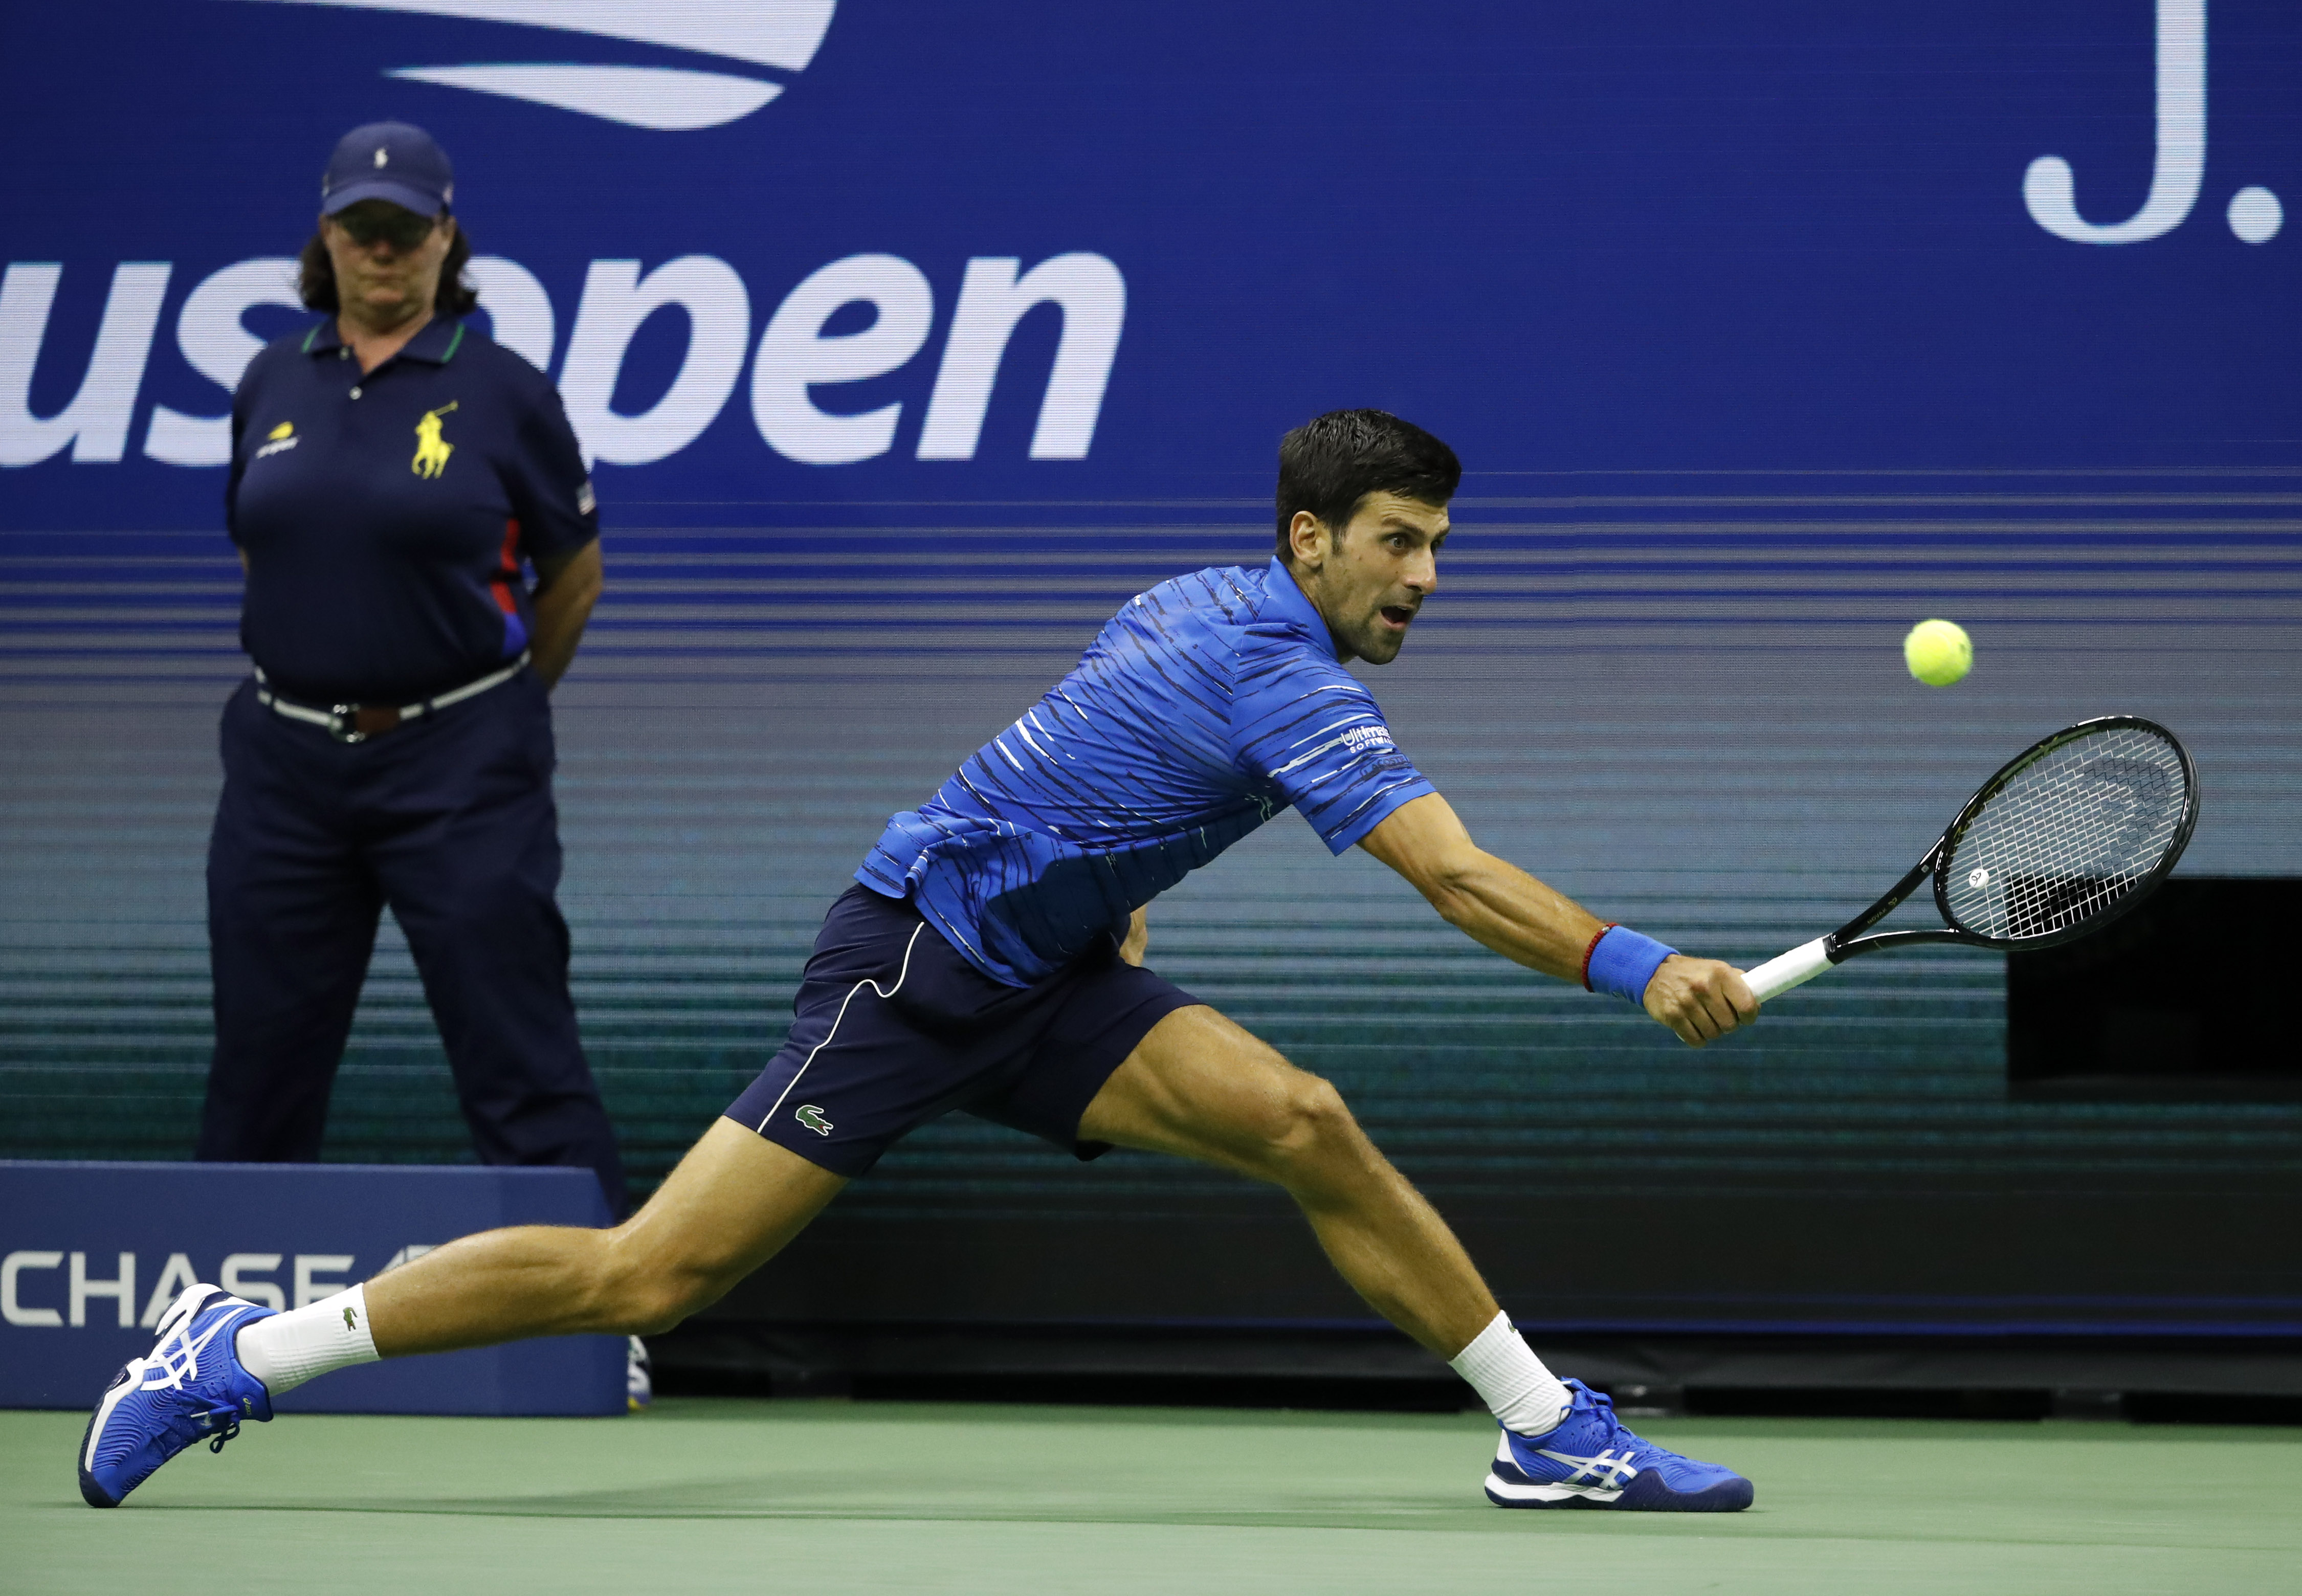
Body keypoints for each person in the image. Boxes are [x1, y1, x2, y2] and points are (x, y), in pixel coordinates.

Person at [83, 410, 1762, 1512]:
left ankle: (1549, 1431)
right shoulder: (1292, 683)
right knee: (649, 1277)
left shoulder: (1193, 600)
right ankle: (239, 1352)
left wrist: (1100, 889)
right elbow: (1457, 882)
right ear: (1311, 540)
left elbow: (1083, 747)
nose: (1426, 579)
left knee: (1306, 1122)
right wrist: (1643, 966)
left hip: (1052, 976)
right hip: (914, 972)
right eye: (1400, 542)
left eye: (1441, 547)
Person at [193, 124, 626, 1214]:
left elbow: (572, 576)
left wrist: (491, 706)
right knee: (260, 1068)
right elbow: (264, 542)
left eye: (405, 230)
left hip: (461, 765)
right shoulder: (268, 382)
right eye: (360, 229)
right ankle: (215, 1342)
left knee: (519, 1055)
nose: (382, 253)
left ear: (446, 237)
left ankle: (593, 1322)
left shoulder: (506, 390)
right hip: (283, 770)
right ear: (326, 235)